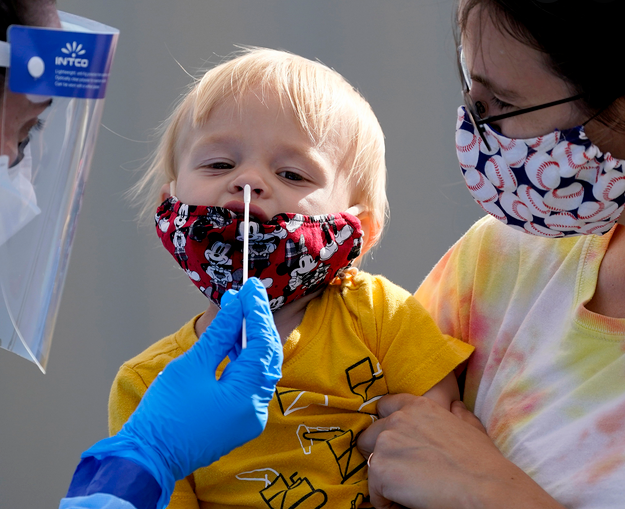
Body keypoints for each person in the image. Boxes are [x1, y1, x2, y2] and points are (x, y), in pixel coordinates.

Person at [0, 2, 283, 509]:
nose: (23, 180)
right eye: (24, 136)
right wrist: (147, 459)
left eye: (292, 174)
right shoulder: (141, 381)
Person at [109, 47, 475, 508]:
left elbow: (441, 447)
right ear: (170, 202)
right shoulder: (148, 386)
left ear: (359, 229)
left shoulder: (382, 317)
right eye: (219, 164)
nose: (248, 182)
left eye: (292, 173)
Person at [357, 1, 625, 508]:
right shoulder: (502, 258)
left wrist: (489, 491)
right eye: (472, 97)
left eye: (500, 105)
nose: (474, 130)